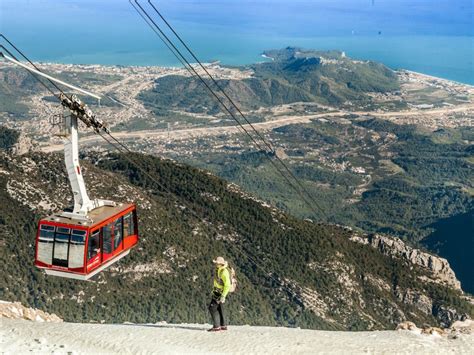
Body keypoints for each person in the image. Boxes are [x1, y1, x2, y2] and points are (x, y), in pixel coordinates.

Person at [208, 256, 231, 332]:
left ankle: (216, 327)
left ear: (221, 264)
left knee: (212, 308)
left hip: (219, 293)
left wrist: (223, 296)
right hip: (218, 291)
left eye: (217, 263)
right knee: (220, 308)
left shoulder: (224, 272)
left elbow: (227, 285)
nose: (216, 264)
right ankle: (223, 326)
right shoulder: (220, 269)